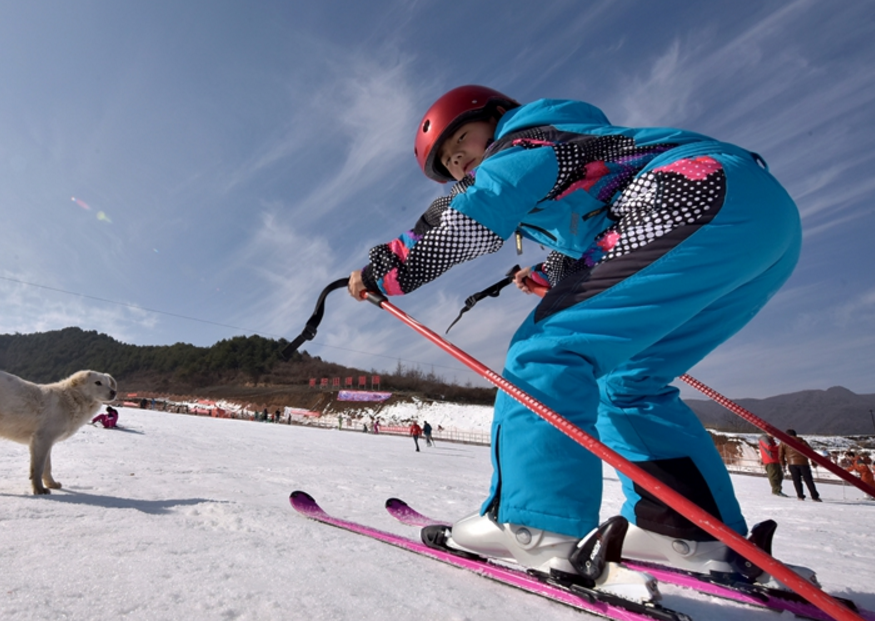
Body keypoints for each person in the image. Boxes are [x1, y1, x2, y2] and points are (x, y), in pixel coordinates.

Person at [346, 86, 802, 588]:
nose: (462, 164)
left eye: (463, 144)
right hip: (760, 222)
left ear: (498, 116)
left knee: (545, 351)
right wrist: (547, 272)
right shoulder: (580, 144)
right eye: (452, 163)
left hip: (692, 195)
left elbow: (476, 209)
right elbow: (605, 229)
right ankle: (686, 529)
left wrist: (387, 269)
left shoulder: (524, 144)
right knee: (630, 383)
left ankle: (534, 524)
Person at [780, 429, 821, 502]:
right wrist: (813, 463)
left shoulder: (783, 443)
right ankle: (815, 496)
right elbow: (811, 452)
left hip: (792, 464)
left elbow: (781, 455)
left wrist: (783, 465)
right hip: (804, 463)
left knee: (796, 480)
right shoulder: (802, 441)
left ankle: (800, 496)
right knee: (808, 480)